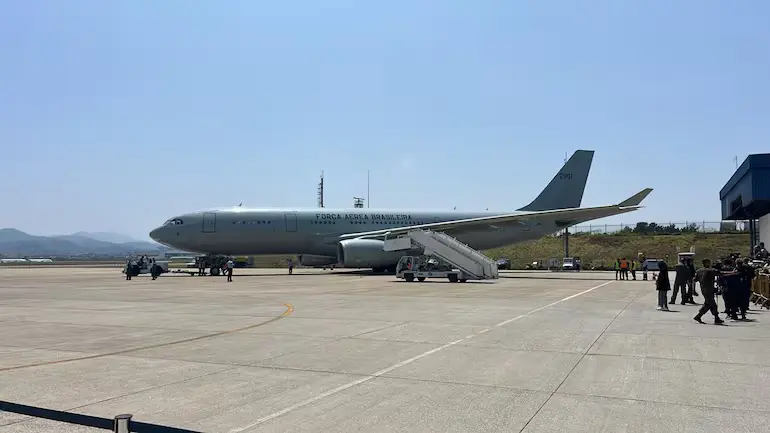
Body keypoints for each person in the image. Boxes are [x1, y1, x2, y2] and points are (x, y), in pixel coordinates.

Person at [693, 259, 724, 324]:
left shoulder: (698, 271)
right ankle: (699, 316)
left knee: (708, 304)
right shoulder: (710, 270)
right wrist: (733, 273)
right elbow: (721, 274)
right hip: (709, 290)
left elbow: (694, 280)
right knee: (712, 304)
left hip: (704, 290)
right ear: (706, 263)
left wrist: (693, 289)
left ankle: (716, 318)